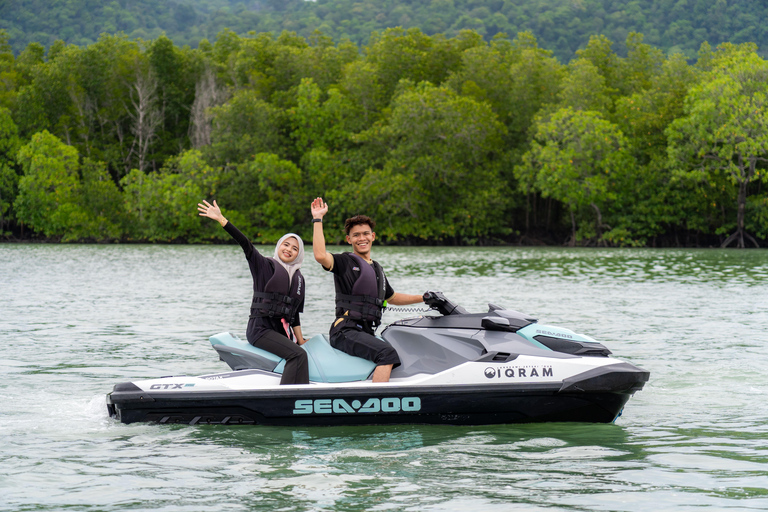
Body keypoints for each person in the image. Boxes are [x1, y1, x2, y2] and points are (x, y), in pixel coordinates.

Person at [310, 197, 424, 383]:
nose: (361, 238)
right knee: (387, 354)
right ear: (349, 239)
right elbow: (320, 255)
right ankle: (379, 404)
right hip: (345, 331)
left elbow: (393, 297)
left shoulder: (376, 268)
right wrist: (318, 219)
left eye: (365, 234)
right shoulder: (345, 263)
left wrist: (424, 297)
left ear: (373, 236)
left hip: (365, 332)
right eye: (356, 235)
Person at [198, 199, 309, 385]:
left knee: (302, 350)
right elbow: (245, 244)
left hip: (280, 333)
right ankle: (290, 399)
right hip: (260, 329)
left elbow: (294, 315)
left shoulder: (298, 279)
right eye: (286, 245)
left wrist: (300, 339)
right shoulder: (264, 266)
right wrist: (222, 219)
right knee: (298, 355)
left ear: (299, 254)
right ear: (279, 246)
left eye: (295, 248)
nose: (289, 249)